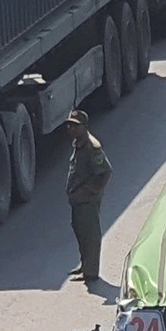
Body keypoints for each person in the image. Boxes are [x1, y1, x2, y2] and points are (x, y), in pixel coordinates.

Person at [65, 109, 112, 285]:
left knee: (90, 235)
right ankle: (85, 265)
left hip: (87, 200)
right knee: (81, 232)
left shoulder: (92, 147)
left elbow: (105, 173)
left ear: (84, 127)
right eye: (69, 125)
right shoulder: (79, 143)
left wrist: (90, 192)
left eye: (75, 126)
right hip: (78, 200)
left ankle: (91, 272)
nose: (70, 128)